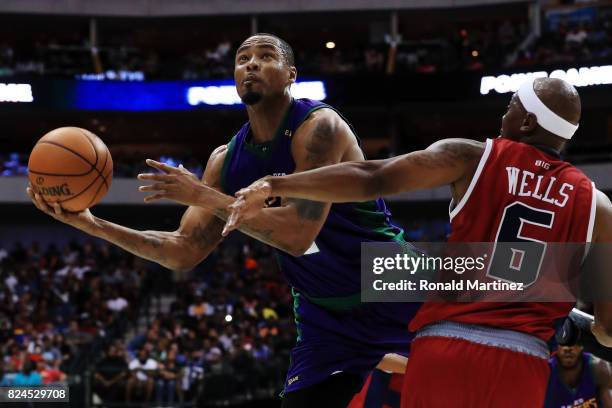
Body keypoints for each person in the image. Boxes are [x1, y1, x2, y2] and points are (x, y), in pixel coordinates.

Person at [28, 33, 417, 406]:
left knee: (469, 361)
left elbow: (299, 233)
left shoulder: (319, 127)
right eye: (243, 59)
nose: (251, 64)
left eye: (265, 56)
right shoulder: (225, 160)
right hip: (323, 312)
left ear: (291, 74)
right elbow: (182, 251)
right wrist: (90, 224)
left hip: (387, 275)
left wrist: (201, 195)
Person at [223, 77, 612, 407]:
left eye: (510, 106)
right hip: (523, 358)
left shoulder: (472, 155)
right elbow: (608, 329)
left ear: (526, 122)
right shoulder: (598, 206)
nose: (502, 115)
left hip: (445, 347)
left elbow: (370, 176)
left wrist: (278, 182)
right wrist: (577, 326)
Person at [545, 343, 612, 407]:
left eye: (572, 341)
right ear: (555, 346)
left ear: (581, 345)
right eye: (562, 343)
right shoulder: (545, 370)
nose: (567, 348)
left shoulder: (598, 366)